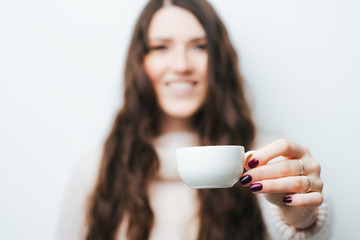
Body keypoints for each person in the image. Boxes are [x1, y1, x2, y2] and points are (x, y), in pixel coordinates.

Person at [58, 0, 331, 239]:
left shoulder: (264, 157)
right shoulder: (96, 169)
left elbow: (302, 223)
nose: (181, 65)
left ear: (219, 61)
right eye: (161, 47)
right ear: (140, 62)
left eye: (200, 46)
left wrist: (303, 219)